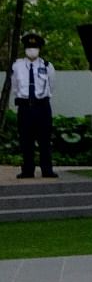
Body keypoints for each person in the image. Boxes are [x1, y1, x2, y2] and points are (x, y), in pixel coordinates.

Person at [11, 32, 57, 179]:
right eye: (29, 47)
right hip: (25, 107)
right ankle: (27, 170)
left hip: (42, 106)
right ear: (25, 48)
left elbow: (51, 85)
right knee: (26, 140)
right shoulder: (17, 66)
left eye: (35, 47)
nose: (32, 50)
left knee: (44, 139)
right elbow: (15, 86)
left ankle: (47, 169)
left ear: (39, 48)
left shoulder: (47, 66)